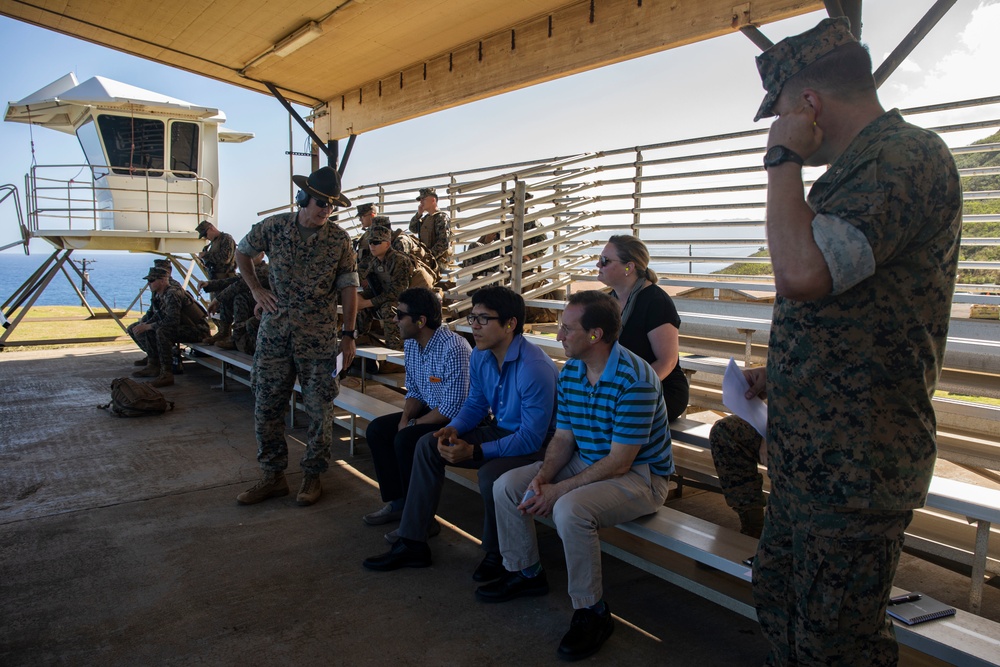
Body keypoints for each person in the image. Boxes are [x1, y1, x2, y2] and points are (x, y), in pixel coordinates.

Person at [748, 18, 963, 665]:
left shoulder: (904, 156)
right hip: (812, 460)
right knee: (780, 600)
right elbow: (841, 299)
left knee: (835, 644)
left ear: (807, 104)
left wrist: (781, 156)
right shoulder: (853, 173)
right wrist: (779, 375)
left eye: (780, 112)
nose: (776, 126)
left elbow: (802, 273)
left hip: (857, 467)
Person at [478, 290, 673, 662]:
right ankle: (525, 571)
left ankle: (592, 611)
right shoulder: (571, 373)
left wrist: (558, 490)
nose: (558, 336)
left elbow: (620, 462)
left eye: (567, 329)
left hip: (641, 476)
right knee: (508, 485)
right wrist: (543, 477)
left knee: (570, 509)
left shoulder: (636, 379)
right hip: (589, 460)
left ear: (595, 335)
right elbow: (564, 438)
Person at [362, 286, 558, 580]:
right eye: (472, 317)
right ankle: (414, 541)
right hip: (500, 431)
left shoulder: (534, 366)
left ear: (510, 324)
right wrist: (452, 428)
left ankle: (496, 553)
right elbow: (476, 405)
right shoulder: (481, 356)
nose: (474, 326)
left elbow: (531, 438)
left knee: (492, 475)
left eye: (483, 319)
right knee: (429, 444)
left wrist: (476, 451)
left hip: (539, 445)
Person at [234, 166, 359, 507]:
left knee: (320, 409)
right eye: (321, 202)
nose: (326, 209)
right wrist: (256, 289)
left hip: (319, 337)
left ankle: (313, 475)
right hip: (275, 333)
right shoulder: (274, 227)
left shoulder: (339, 240)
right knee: (266, 406)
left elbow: (349, 289)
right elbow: (242, 252)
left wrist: (348, 334)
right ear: (304, 198)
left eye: (332, 205)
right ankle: (272, 476)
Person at [362, 287, 471, 527]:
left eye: (399, 315)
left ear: (420, 321)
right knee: (378, 430)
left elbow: (452, 408)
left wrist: (412, 424)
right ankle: (399, 503)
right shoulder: (412, 344)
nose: (393, 319)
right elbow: (414, 390)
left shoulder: (454, 348)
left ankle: (421, 519)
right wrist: (404, 420)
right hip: (432, 410)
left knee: (406, 439)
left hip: (459, 421)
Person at [597, 235, 689, 422]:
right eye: (599, 259)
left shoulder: (656, 302)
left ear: (629, 267)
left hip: (659, 387)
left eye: (605, 261)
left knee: (607, 413)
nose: (598, 265)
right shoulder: (606, 302)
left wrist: (628, 390)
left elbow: (667, 362)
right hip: (619, 384)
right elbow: (596, 341)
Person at [128, 266, 210, 387]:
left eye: (152, 280)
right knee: (146, 328)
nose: (149, 284)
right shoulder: (161, 294)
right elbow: (160, 314)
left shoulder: (172, 294)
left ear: (162, 281)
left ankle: (166, 374)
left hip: (198, 331)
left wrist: (149, 326)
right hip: (185, 327)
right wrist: (145, 324)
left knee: (162, 331)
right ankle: (154, 363)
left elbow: (172, 321)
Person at [356, 225, 433, 350]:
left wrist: (367, 302)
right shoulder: (375, 261)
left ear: (387, 244)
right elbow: (375, 287)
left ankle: (396, 349)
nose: (372, 246)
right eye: (370, 242)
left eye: (376, 242)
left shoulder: (399, 261)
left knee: (388, 308)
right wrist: (361, 298)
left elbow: (397, 293)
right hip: (388, 298)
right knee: (358, 302)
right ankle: (360, 337)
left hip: (409, 301)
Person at [709, 414, 767, 538]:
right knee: (724, 431)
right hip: (783, 416)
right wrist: (768, 433)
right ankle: (753, 529)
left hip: (813, 423)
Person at [202, 252, 269, 351]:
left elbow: (240, 284)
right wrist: (209, 284)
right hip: (256, 304)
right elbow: (232, 281)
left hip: (264, 306)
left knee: (239, 296)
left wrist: (217, 299)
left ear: (262, 255)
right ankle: (224, 332)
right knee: (229, 295)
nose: (250, 257)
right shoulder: (251, 270)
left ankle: (237, 337)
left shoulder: (264, 270)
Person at [409, 187, 451, 269]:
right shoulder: (426, 218)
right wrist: (418, 214)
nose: (421, 202)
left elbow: (444, 243)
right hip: (425, 259)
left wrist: (428, 257)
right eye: (420, 200)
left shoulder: (441, 217)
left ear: (433, 200)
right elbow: (412, 228)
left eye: (423, 199)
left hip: (437, 261)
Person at [353, 203, 379, 290]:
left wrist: (368, 278)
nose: (360, 220)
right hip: (363, 277)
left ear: (372, 215)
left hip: (372, 280)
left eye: (362, 216)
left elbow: (378, 258)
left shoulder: (378, 234)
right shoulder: (368, 233)